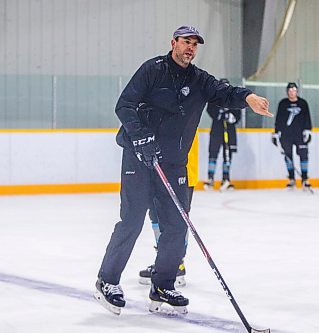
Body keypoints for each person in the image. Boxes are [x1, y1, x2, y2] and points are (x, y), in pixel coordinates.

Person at [95, 25, 272, 315]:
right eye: (185, 42)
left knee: (177, 225)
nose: (190, 48)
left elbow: (225, 93)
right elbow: (124, 105)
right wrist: (140, 136)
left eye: (194, 44)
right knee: (132, 220)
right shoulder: (153, 69)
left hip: (174, 162)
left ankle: (163, 285)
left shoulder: (199, 80)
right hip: (139, 159)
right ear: (173, 43)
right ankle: (108, 280)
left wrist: (248, 98)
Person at [138, 131, 199, 288]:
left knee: (177, 218)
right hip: (161, 166)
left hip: (181, 169)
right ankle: (164, 262)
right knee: (156, 214)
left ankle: (176, 264)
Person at [272, 82, 312, 190]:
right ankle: (291, 179)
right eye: (290, 91)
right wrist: (276, 133)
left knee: (303, 155)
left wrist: (308, 130)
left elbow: (307, 118)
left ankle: (304, 179)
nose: (292, 93)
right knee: (288, 156)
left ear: (297, 91)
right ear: (287, 92)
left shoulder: (303, 103)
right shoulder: (283, 104)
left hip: (300, 135)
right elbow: (278, 119)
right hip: (286, 135)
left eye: (294, 91)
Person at [204, 78, 242, 191]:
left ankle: (226, 179)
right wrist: (220, 115)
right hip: (217, 130)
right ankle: (210, 179)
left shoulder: (234, 100)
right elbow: (210, 110)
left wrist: (232, 117)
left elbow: (238, 115)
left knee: (228, 155)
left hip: (229, 131)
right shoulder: (214, 99)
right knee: (213, 153)